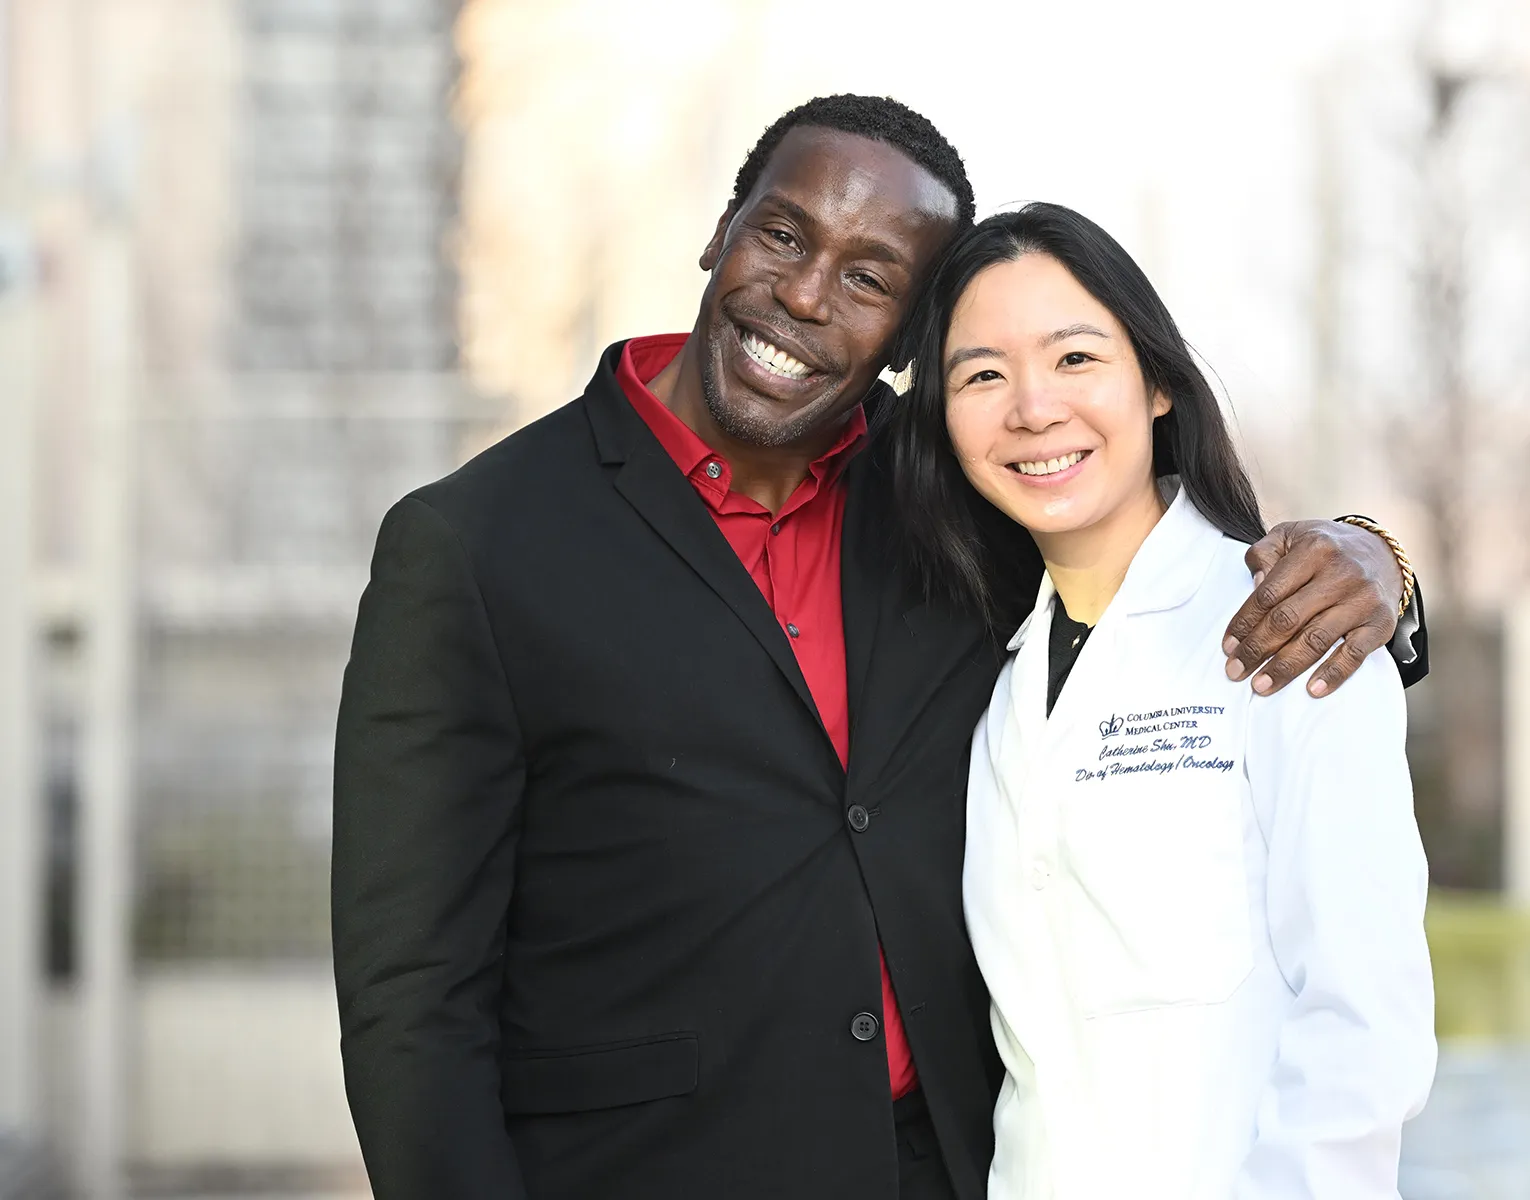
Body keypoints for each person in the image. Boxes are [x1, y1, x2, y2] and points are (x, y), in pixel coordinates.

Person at [332, 96, 1428, 1200]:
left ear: (908, 338)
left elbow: (1132, 528)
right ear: (722, 231)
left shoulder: (948, 495)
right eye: (782, 235)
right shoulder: (477, 546)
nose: (804, 295)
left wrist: (1376, 557)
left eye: (868, 279)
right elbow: (412, 1002)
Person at [879, 202, 1435, 1198]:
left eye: (1075, 358)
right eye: (980, 374)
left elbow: (1363, 1022)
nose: (1031, 408)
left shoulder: (1292, 623)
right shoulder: (991, 686)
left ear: (1160, 384)